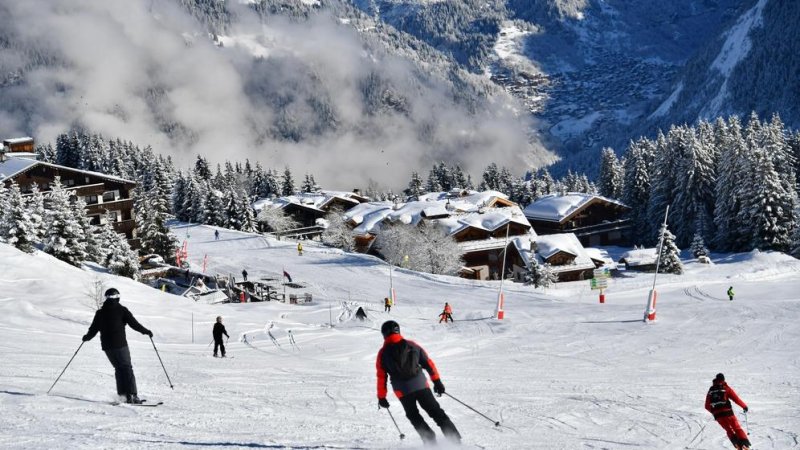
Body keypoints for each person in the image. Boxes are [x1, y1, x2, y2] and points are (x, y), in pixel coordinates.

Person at [376, 320, 461, 445]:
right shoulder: (412, 345)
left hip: (402, 391)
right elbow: (428, 363)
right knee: (436, 412)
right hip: (421, 385)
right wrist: (437, 381)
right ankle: (455, 441)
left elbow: (381, 377)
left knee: (413, 416)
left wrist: (382, 397)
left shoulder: (382, 354)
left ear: (384, 334)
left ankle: (430, 442)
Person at [82, 288, 152, 404]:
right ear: (118, 298)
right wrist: (146, 331)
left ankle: (123, 395)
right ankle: (132, 396)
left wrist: (87, 337)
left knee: (119, 369)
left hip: (107, 346)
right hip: (120, 344)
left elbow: (93, 328)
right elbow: (134, 324)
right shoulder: (122, 310)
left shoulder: (100, 312)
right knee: (126, 368)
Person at [705, 373, 751, 450]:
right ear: (723, 379)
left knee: (729, 430)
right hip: (728, 413)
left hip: (718, 415)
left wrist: (714, 412)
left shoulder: (711, 390)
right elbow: (736, 399)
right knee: (737, 428)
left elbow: (707, 406)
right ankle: (745, 445)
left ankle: (737, 445)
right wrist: (744, 406)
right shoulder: (726, 388)